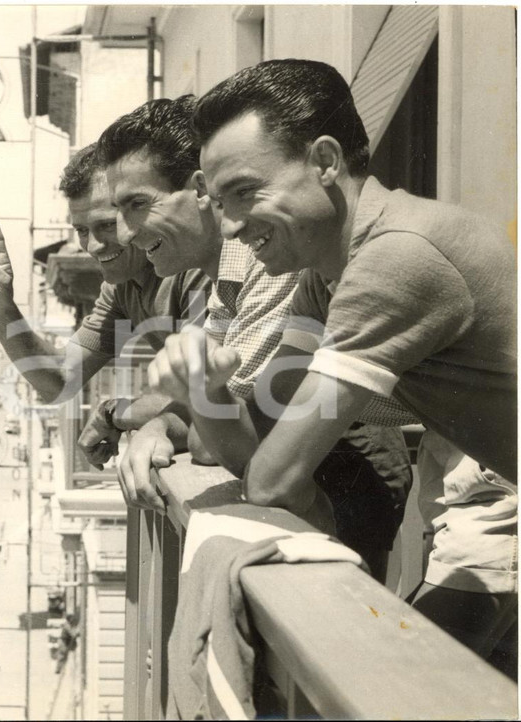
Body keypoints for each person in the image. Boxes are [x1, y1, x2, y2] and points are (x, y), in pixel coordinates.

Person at [149, 58, 516, 658]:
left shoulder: (396, 259)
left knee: (402, 680)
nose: (233, 227)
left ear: (325, 162)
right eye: (218, 203)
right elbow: (265, 435)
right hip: (480, 491)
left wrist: (212, 406)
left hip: (495, 502)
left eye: (245, 192)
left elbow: (272, 480)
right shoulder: (326, 275)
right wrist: (205, 394)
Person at [98, 95, 413, 580]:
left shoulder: (275, 263)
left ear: (201, 190)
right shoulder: (230, 273)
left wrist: (173, 408)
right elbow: (212, 411)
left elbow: (220, 432)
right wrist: (160, 425)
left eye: (137, 204)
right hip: (311, 472)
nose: (121, 234)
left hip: (346, 469)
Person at [0, 143, 211, 467]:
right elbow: (60, 382)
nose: (93, 246)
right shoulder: (120, 286)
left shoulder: (190, 265)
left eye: (106, 225)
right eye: (81, 230)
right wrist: (1, 309)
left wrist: (115, 413)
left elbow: (206, 397)